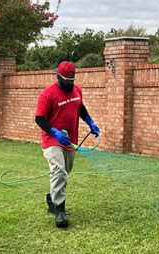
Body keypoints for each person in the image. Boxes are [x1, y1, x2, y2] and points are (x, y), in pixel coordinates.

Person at [35, 61, 100, 228]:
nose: (70, 83)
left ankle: (52, 197)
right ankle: (60, 210)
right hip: (52, 140)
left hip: (70, 141)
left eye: (72, 80)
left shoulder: (77, 90)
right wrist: (55, 132)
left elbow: (81, 108)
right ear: (58, 77)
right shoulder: (48, 94)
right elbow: (40, 119)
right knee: (59, 171)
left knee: (65, 172)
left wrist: (90, 122)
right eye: (67, 80)